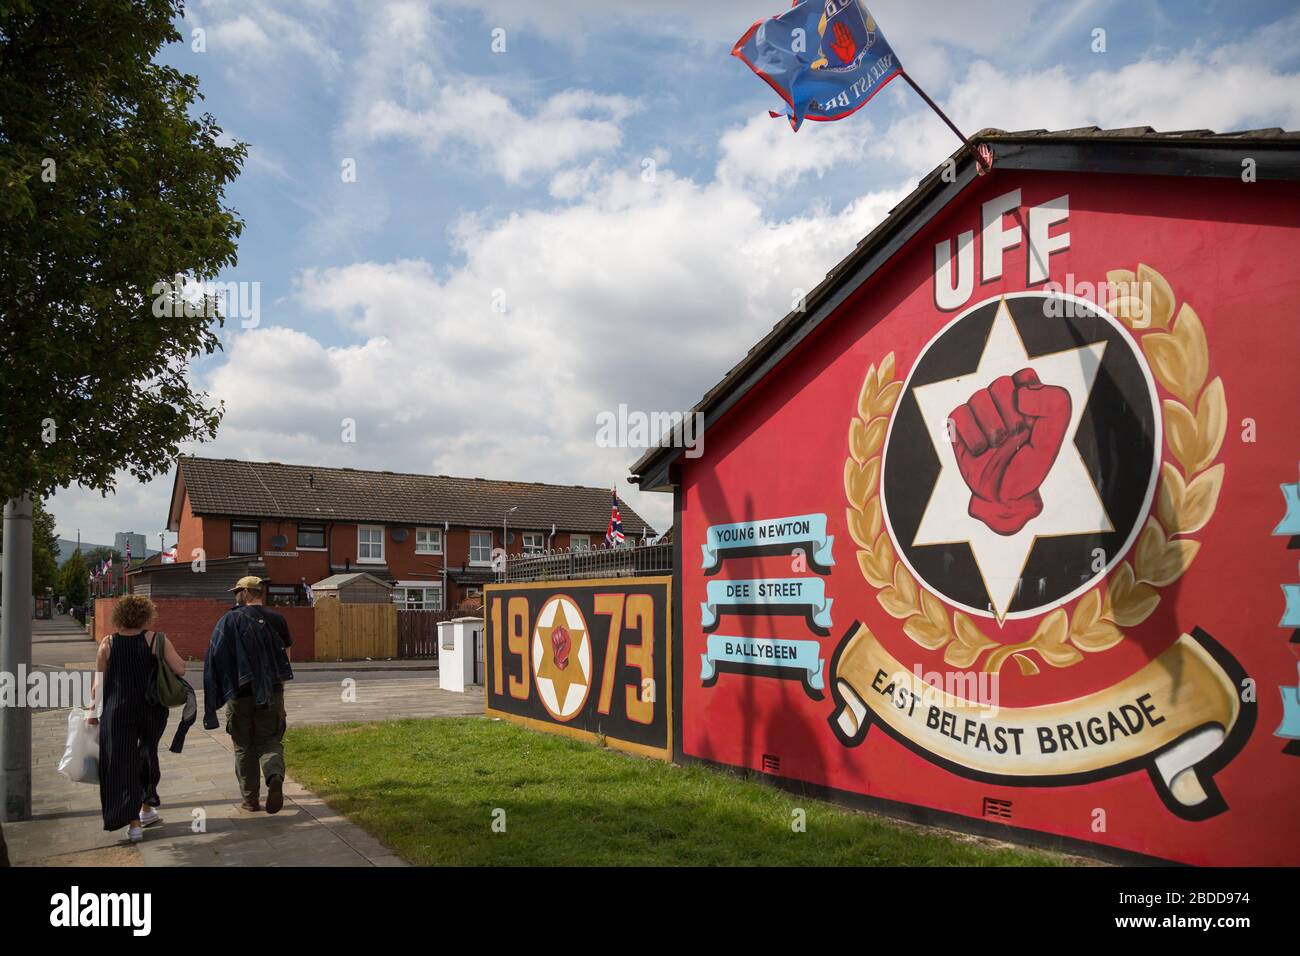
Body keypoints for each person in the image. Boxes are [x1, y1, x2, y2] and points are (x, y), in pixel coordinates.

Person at [90, 595, 186, 842]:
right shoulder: (156, 640)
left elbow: (98, 684)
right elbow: (180, 669)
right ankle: (146, 808)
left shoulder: (107, 644)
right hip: (151, 709)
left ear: (119, 616)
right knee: (146, 753)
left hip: (117, 710)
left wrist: (92, 712)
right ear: (146, 616)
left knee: (121, 763)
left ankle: (133, 824)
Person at [203, 575, 294, 814]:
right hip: (272, 691)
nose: (235, 596)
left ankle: (250, 799)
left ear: (245, 592)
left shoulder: (229, 620)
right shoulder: (278, 619)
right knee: (270, 739)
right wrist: (280, 685)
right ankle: (274, 775)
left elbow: (217, 657)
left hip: (240, 692)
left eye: (237, 592)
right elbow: (286, 656)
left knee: (243, 745)